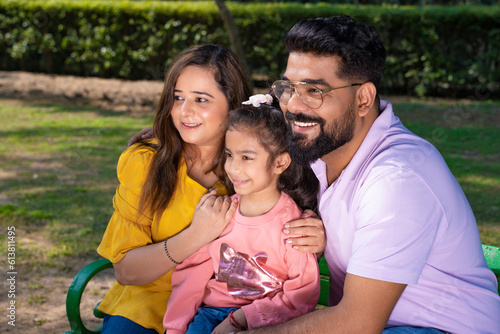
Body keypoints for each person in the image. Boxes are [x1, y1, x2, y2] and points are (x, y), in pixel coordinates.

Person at [245, 16, 500, 333]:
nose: (293, 105)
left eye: (314, 91)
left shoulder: (397, 179)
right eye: (288, 87)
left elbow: (357, 323)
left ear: (363, 98)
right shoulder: (318, 150)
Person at [96, 44, 254, 333]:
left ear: (233, 104)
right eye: (177, 97)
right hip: (146, 307)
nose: (184, 111)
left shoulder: (256, 167)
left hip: (222, 310)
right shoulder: (145, 163)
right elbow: (126, 270)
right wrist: (194, 236)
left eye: (201, 99)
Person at [163, 94, 321, 334]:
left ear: (280, 163)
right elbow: (192, 277)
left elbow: (301, 298)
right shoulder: (221, 213)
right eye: (229, 155)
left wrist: (241, 319)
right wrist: (175, 328)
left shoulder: (294, 227)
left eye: (246, 157)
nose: (233, 168)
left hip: (266, 323)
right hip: (210, 316)